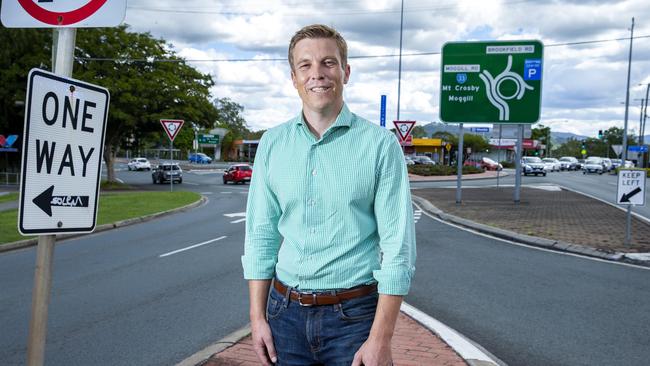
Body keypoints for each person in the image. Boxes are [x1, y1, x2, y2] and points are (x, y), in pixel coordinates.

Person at [242, 24, 416, 366]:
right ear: (293, 77)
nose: (317, 74)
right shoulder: (272, 144)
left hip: (355, 319)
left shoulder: (380, 146)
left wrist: (381, 338)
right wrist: (257, 318)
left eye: (328, 62)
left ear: (346, 71)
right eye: (305, 65)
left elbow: (398, 248)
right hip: (284, 315)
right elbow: (260, 235)